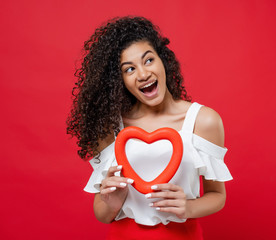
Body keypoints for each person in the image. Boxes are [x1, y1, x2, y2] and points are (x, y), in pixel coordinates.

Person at [66, 16, 232, 240]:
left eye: (148, 60)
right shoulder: (111, 127)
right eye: (129, 69)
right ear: (120, 80)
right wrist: (112, 203)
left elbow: (217, 196)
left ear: (163, 61)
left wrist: (189, 207)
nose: (143, 74)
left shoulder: (204, 121)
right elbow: (102, 214)